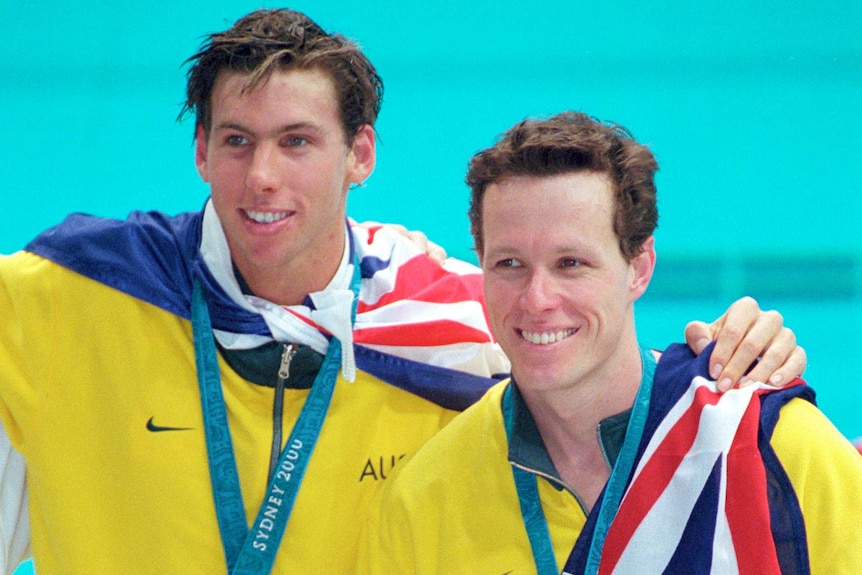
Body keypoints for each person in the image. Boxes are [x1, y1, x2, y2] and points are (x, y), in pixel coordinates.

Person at [0, 10, 806, 575]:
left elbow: (625, 405)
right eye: (237, 141)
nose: (263, 177)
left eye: (298, 142)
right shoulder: (74, 295)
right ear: (202, 151)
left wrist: (745, 351)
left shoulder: (457, 321)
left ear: (361, 154)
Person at [358, 112, 862, 574]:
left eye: (571, 264)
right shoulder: (426, 494)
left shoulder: (766, 443)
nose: (537, 300)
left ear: (639, 268)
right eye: (509, 264)